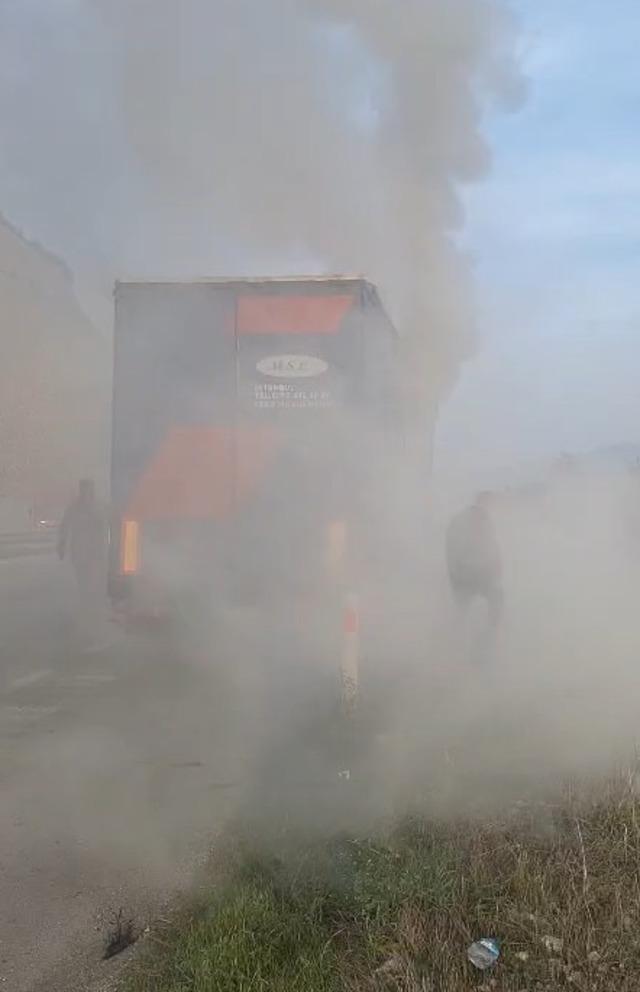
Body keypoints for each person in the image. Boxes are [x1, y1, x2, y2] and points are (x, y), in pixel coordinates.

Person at [58, 479, 108, 646]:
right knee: (84, 582)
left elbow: (107, 524)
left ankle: (94, 610)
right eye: (85, 489)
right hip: (80, 553)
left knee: (94, 583)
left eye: (89, 489)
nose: (87, 492)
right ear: (81, 490)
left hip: (95, 553)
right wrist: (61, 545)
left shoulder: (98, 506)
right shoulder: (74, 507)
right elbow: (64, 526)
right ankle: (87, 607)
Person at [446, 491, 503, 630]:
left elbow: (450, 546)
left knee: (462, 609)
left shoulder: (459, 518)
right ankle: (488, 635)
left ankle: (454, 638)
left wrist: (453, 572)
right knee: (495, 599)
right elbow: (490, 546)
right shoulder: (482, 519)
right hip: (473, 573)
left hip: (463, 574)